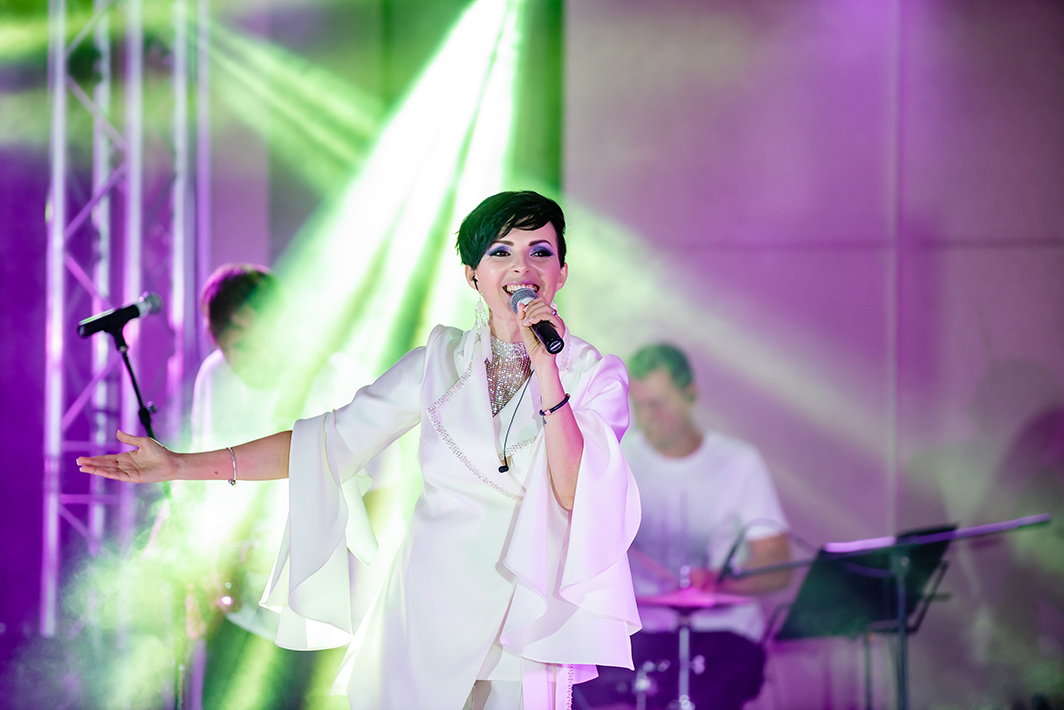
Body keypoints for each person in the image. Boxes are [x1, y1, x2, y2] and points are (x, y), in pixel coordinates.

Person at [78, 190, 642, 710]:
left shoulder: (594, 376)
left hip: (524, 618)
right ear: (473, 275)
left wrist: (548, 370)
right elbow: (322, 444)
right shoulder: (437, 362)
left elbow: (575, 492)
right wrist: (179, 465)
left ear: (561, 272)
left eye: (540, 251)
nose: (522, 268)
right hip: (425, 609)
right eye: (501, 252)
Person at [579, 343, 790, 710]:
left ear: (691, 394)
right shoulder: (617, 459)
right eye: (639, 406)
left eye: (659, 404)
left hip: (723, 635)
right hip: (639, 632)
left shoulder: (738, 462)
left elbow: (776, 565)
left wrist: (722, 581)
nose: (648, 418)